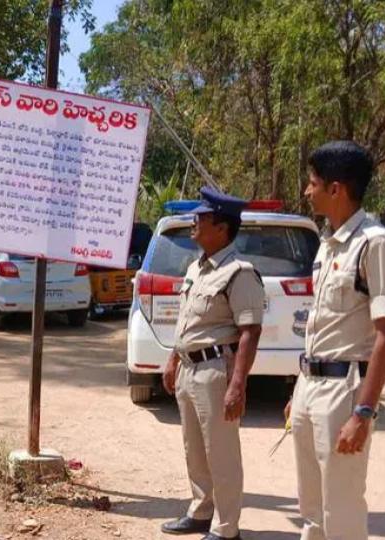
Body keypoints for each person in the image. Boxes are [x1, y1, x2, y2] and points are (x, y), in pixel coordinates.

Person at [286, 141, 385, 540]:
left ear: (336, 189)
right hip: (311, 386)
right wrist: (300, 388)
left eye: (312, 182)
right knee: (312, 507)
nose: (307, 191)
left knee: (342, 509)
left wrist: (364, 412)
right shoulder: (328, 244)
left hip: (343, 392)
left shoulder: (376, 244)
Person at [161, 187, 264, 540]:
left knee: (221, 454)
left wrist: (238, 384)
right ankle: (201, 510)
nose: (195, 222)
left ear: (221, 228)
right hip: (189, 368)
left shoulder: (239, 272)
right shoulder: (197, 268)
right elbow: (188, 320)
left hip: (215, 370)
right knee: (195, 449)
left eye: (202, 218)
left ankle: (226, 527)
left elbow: (250, 331)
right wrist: (173, 356)